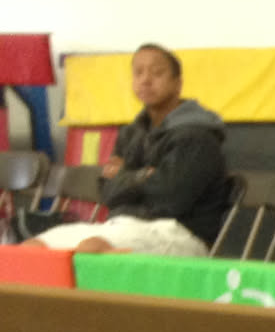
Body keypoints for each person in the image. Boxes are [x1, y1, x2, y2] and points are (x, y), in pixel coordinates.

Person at [24, 44, 227, 257]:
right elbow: (108, 193)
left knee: (91, 249)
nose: (146, 80)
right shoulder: (132, 133)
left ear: (178, 84)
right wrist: (143, 176)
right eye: (138, 72)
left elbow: (170, 201)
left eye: (157, 73)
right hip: (121, 224)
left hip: (179, 233)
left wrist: (125, 178)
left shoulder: (197, 136)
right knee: (32, 248)